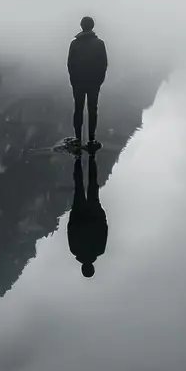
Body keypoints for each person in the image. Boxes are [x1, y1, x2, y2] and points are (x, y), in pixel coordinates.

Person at [67, 16, 108, 151]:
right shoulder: (100, 44)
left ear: (81, 26)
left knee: (78, 109)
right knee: (92, 109)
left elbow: (70, 64)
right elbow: (103, 65)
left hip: (78, 82)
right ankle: (91, 138)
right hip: (93, 83)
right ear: (92, 26)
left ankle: (78, 138)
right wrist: (99, 81)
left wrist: (73, 80)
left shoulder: (74, 44)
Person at [67, 155, 108, 277]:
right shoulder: (75, 250)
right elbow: (70, 229)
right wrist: (73, 213)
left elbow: (104, 229)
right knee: (78, 185)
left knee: (92, 183)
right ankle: (78, 158)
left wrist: (100, 213)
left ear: (92, 267)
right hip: (79, 213)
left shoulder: (99, 250)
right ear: (83, 268)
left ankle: (91, 157)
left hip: (93, 212)